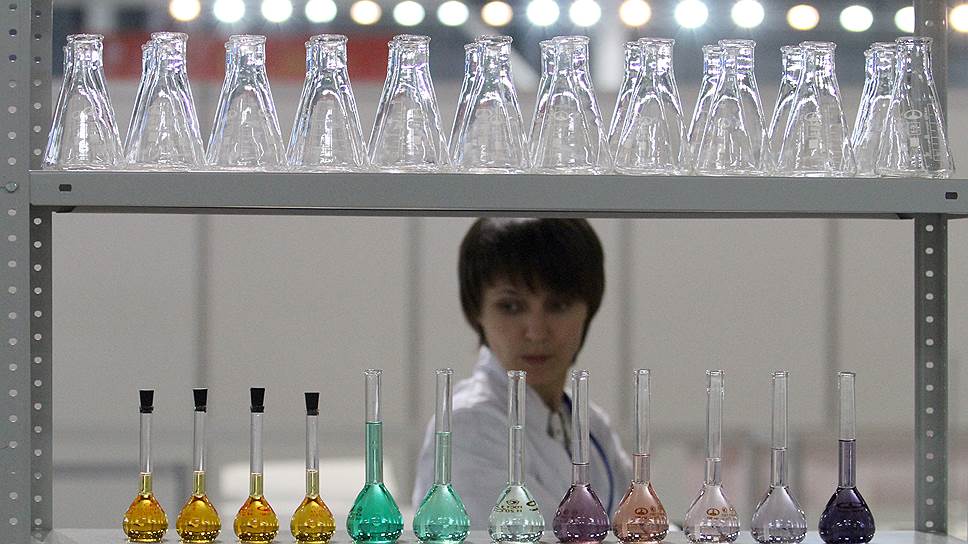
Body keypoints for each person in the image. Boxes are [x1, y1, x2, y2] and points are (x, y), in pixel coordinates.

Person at [411, 218, 633, 529]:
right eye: (511, 307)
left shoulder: (591, 425)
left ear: (589, 310)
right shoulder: (467, 427)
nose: (536, 332)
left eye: (558, 305)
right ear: (476, 312)